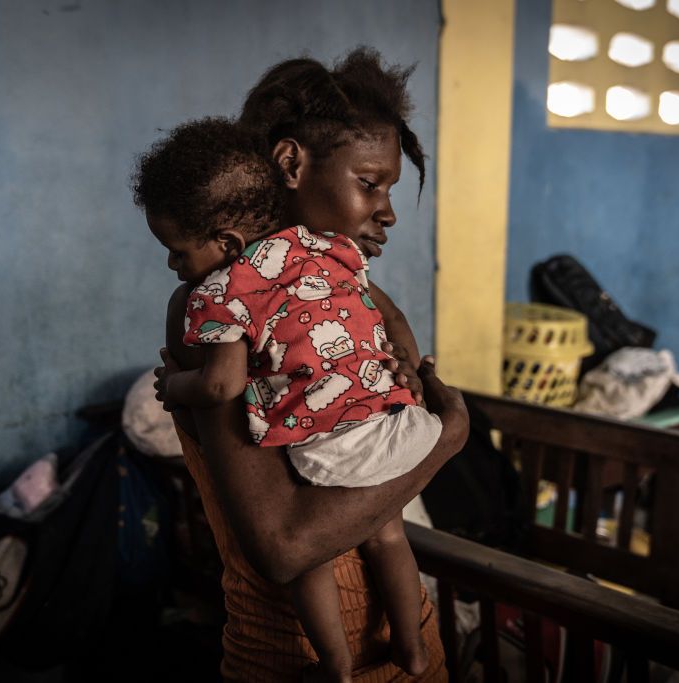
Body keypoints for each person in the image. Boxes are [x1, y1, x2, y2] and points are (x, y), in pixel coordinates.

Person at [148, 48, 469, 681]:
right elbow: (284, 547)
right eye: (369, 183)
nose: (388, 211)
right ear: (291, 163)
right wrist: (448, 437)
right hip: (294, 658)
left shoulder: (356, 293)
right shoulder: (211, 308)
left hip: (411, 648)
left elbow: (387, 429)